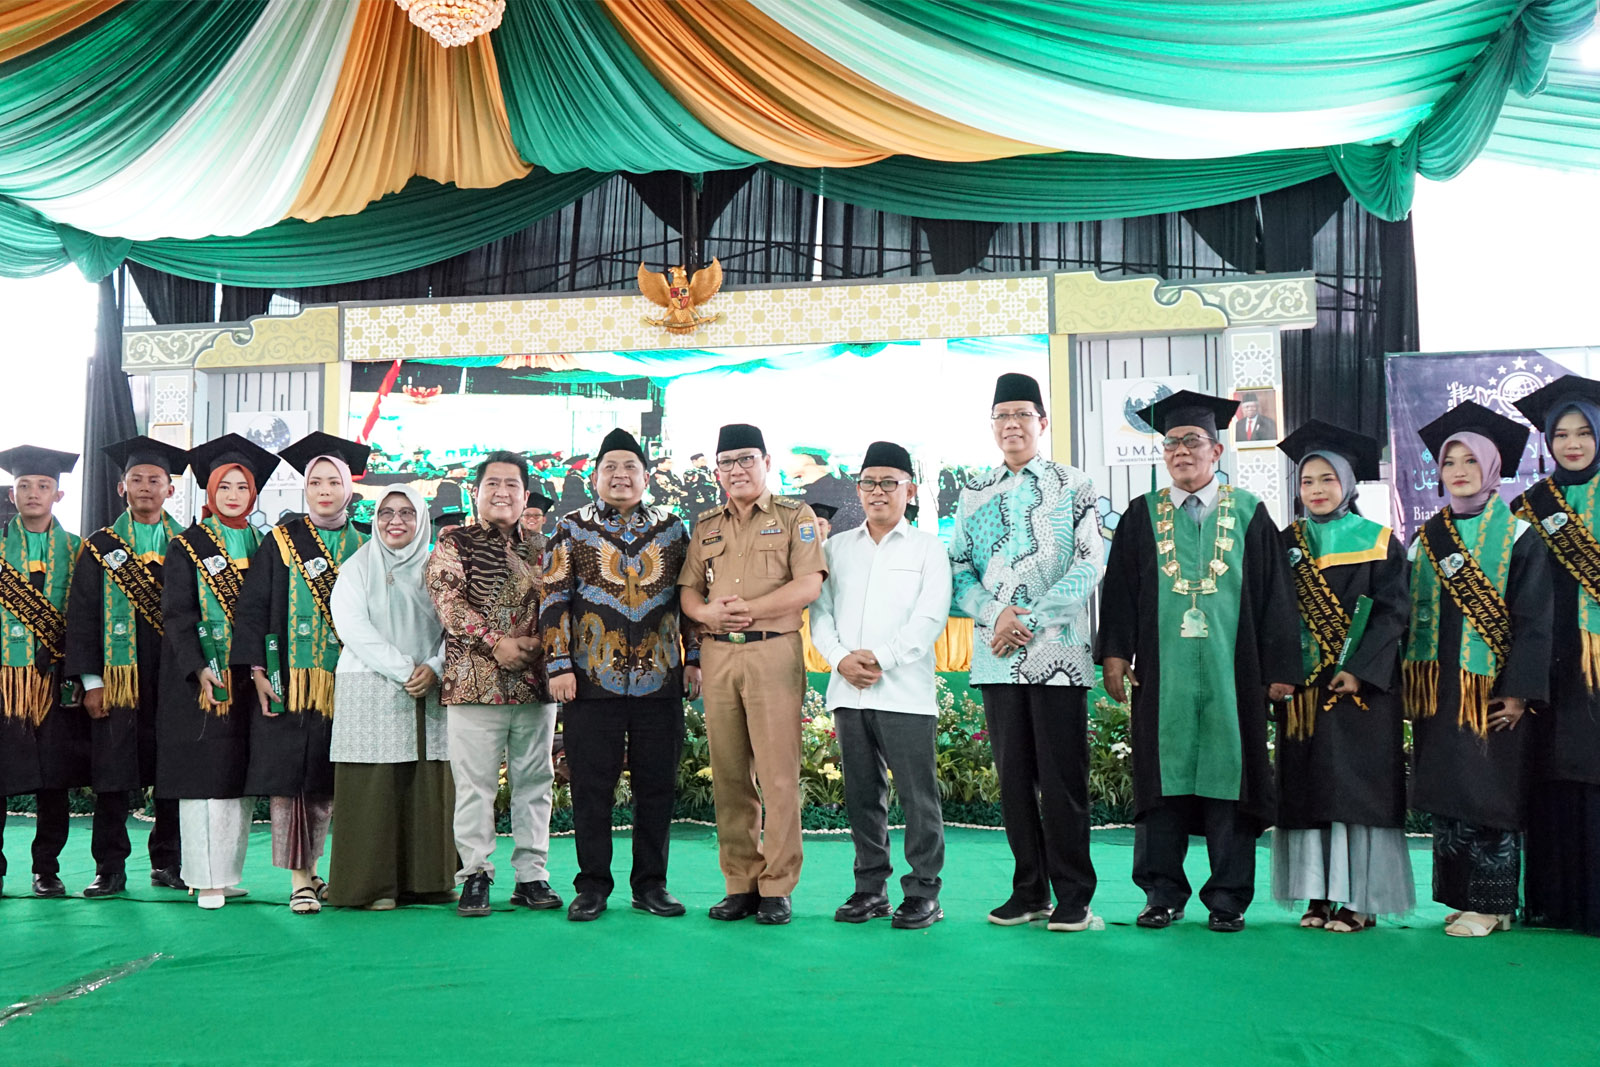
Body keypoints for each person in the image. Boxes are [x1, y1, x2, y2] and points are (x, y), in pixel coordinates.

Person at [1098, 390, 1300, 933]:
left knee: (1228, 779)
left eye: (1192, 442)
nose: (1180, 452)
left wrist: (1281, 670)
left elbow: (1276, 595)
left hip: (1235, 673)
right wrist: (1114, 654)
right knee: (1162, 783)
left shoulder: (1253, 514)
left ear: (1216, 451)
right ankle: (1161, 893)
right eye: (1171, 444)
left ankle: (1228, 896)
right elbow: (1118, 592)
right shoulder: (1141, 517)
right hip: (1162, 675)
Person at [949, 373, 1106, 932]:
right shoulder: (976, 491)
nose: (1011, 425)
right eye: (1001, 416)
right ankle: (1028, 890)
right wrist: (998, 614)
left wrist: (1031, 618)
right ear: (991, 426)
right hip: (996, 655)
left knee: (1062, 780)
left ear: (1042, 422)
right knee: (1013, 779)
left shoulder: (1074, 484)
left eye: (1022, 414)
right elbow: (957, 568)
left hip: (1057, 656)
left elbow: (1089, 562)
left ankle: (1074, 896)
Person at [541, 429, 701, 922]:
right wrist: (559, 664)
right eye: (610, 467)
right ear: (594, 477)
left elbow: (691, 597)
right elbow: (552, 599)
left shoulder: (673, 529)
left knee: (657, 786)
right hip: (591, 682)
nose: (620, 475)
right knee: (592, 787)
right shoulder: (571, 529)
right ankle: (592, 886)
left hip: (660, 680)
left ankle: (651, 884)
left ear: (646, 477)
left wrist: (693, 657)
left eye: (630, 467)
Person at [1406, 401, 1552, 938]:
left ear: (1493, 468)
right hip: (1440, 685)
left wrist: (1519, 693)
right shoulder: (1427, 540)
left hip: (1491, 687)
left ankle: (1492, 904)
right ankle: (1462, 895)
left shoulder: (1519, 536)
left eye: (1472, 460)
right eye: (1450, 462)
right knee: (1449, 789)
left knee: (1489, 788)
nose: (1460, 471)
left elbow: (1536, 621)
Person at [679, 424, 827, 925]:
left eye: (746, 459)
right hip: (720, 656)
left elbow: (808, 584)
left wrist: (749, 611)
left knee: (778, 776)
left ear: (766, 461)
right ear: (716, 470)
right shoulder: (705, 526)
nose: (737, 470)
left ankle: (777, 886)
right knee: (729, 776)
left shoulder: (794, 516)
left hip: (772, 654)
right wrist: (704, 617)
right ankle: (739, 882)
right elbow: (688, 593)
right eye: (727, 462)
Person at [1270, 421, 1414, 932]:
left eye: (1328, 479)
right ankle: (1316, 895)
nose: (1317, 490)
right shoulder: (1283, 544)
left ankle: (1359, 900)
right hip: (1303, 690)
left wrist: (1358, 670)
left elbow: (1394, 613)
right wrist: (1278, 674)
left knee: (1356, 790)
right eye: (1307, 481)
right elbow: (1269, 615)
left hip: (1361, 693)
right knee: (1308, 786)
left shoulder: (1378, 542)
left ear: (1349, 484)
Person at [811, 440, 952, 929]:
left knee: (918, 796)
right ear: (859, 489)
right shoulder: (835, 548)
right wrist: (840, 659)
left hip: (905, 694)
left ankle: (923, 893)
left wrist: (883, 658)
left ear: (909, 490)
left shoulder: (929, 549)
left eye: (888, 483)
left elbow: (930, 616)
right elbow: (820, 613)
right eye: (868, 482)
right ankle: (870, 888)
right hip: (848, 691)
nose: (877, 492)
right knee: (861, 795)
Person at [232, 432, 370, 915]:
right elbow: (253, 610)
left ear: (350, 487)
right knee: (293, 780)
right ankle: (300, 879)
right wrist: (257, 670)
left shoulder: (367, 544)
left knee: (338, 780)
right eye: (316, 482)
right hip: (292, 679)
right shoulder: (281, 543)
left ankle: (334, 872)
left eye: (334, 481)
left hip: (354, 682)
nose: (325, 490)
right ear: (304, 489)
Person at [426, 450, 561, 918]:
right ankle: (476, 875)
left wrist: (542, 643)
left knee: (535, 782)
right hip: (472, 683)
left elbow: (563, 603)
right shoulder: (454, 542)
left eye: (511, 485)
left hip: (535, 683)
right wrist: (497, 643)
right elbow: (447, 600)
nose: (502, 492)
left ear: (526, 495)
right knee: (475, 786)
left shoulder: (546, 548)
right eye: (492, 484)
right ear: (476, 492)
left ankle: (532, 876)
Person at [64, 436, 188, 898]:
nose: (145, 488)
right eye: (136, 479)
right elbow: (82, 616)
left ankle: (169, 861)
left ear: (169, 490)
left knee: (173, 772)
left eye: (155, 480)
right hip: (117, 680)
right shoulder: (101, 547)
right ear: (121, 488)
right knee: (113, 775)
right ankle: (110, 868)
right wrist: (91, 680)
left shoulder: (188, 544)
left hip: (175, 680)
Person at [159, 434, 277, 909]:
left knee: (236, 776)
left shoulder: (266, 544)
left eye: (241, 487)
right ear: (209, 492)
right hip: (202, 680)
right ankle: (203, 877)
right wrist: (197, 668)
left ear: (253, 493)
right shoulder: (187, 546)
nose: (233, 495)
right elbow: (177, 614)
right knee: (203, 779)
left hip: (248, 676)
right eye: (224, 486)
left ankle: (226, 874)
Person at [328, 485, 455, 911]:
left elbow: (456, 625)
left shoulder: (441, 565)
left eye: (406, 513)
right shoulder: (357, 567)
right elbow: (352, 627)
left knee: (427, 782)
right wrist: (406, 669)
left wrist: (435, 668)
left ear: (422, 520)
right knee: (374, 785)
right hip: (371, 683)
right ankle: (372, 886)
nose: (395, 521)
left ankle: (428, 881)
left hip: (431, 685)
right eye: (386, 512)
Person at [1513, 376, 1600, 937]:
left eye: (1584, 432)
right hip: (1547, 661)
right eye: (1560, 433)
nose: (1571, 443)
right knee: (1549, 776)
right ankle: (1552, 901)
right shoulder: (1528, 507)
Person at [0, 446, 86, 899]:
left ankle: (46, 869)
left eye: (43, 486)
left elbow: (89, 616)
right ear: (12, 495)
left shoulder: (78, 551)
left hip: (56, 680)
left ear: (59, 493)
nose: (33, 493)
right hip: (3, 680)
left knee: (54, 778)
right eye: (24, 486)